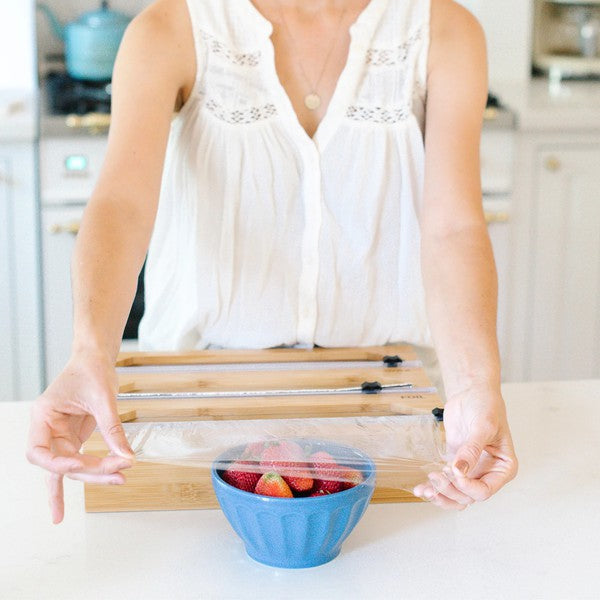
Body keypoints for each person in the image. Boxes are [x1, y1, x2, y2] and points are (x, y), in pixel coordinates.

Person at [27, 0, 518, 523]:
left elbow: (454, 227)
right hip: (195, 414)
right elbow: (120, 206)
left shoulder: (446, 30)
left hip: (391, 413)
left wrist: (475, 385)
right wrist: (89, 353)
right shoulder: (168, 29)